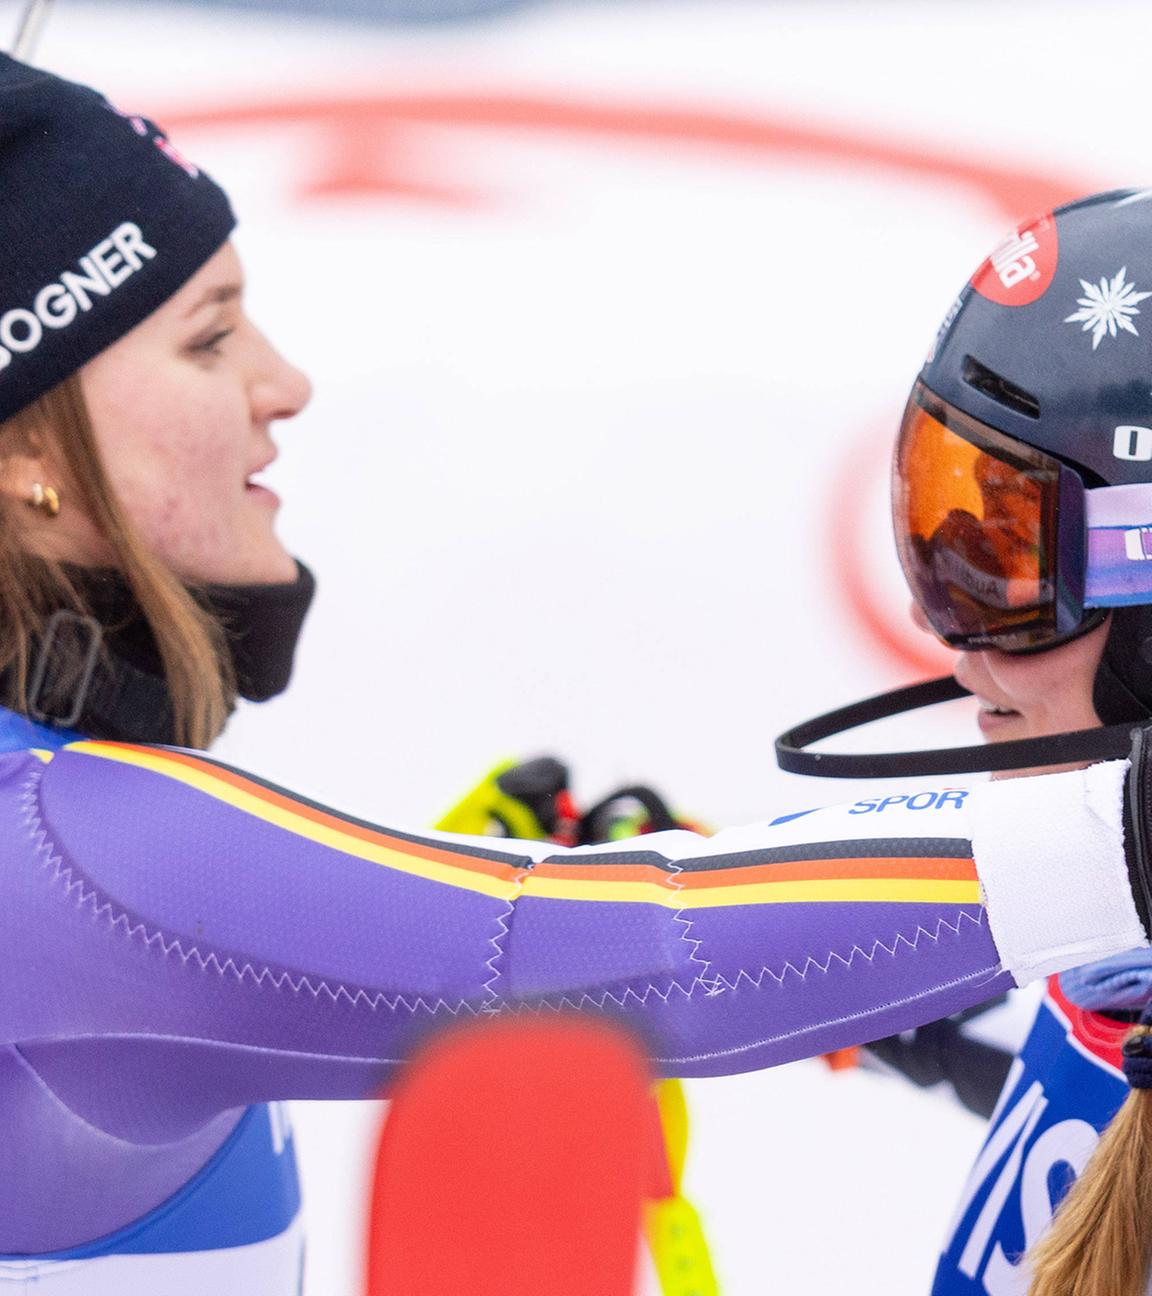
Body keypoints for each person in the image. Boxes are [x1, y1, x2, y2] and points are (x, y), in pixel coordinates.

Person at [0, 51, 1150, 1295]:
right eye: (209, 338)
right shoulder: (54, 856)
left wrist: (928, 1017)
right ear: (25, 454)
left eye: (1003, 551)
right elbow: (618, 941)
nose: (284, 383)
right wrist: (1121, 839)